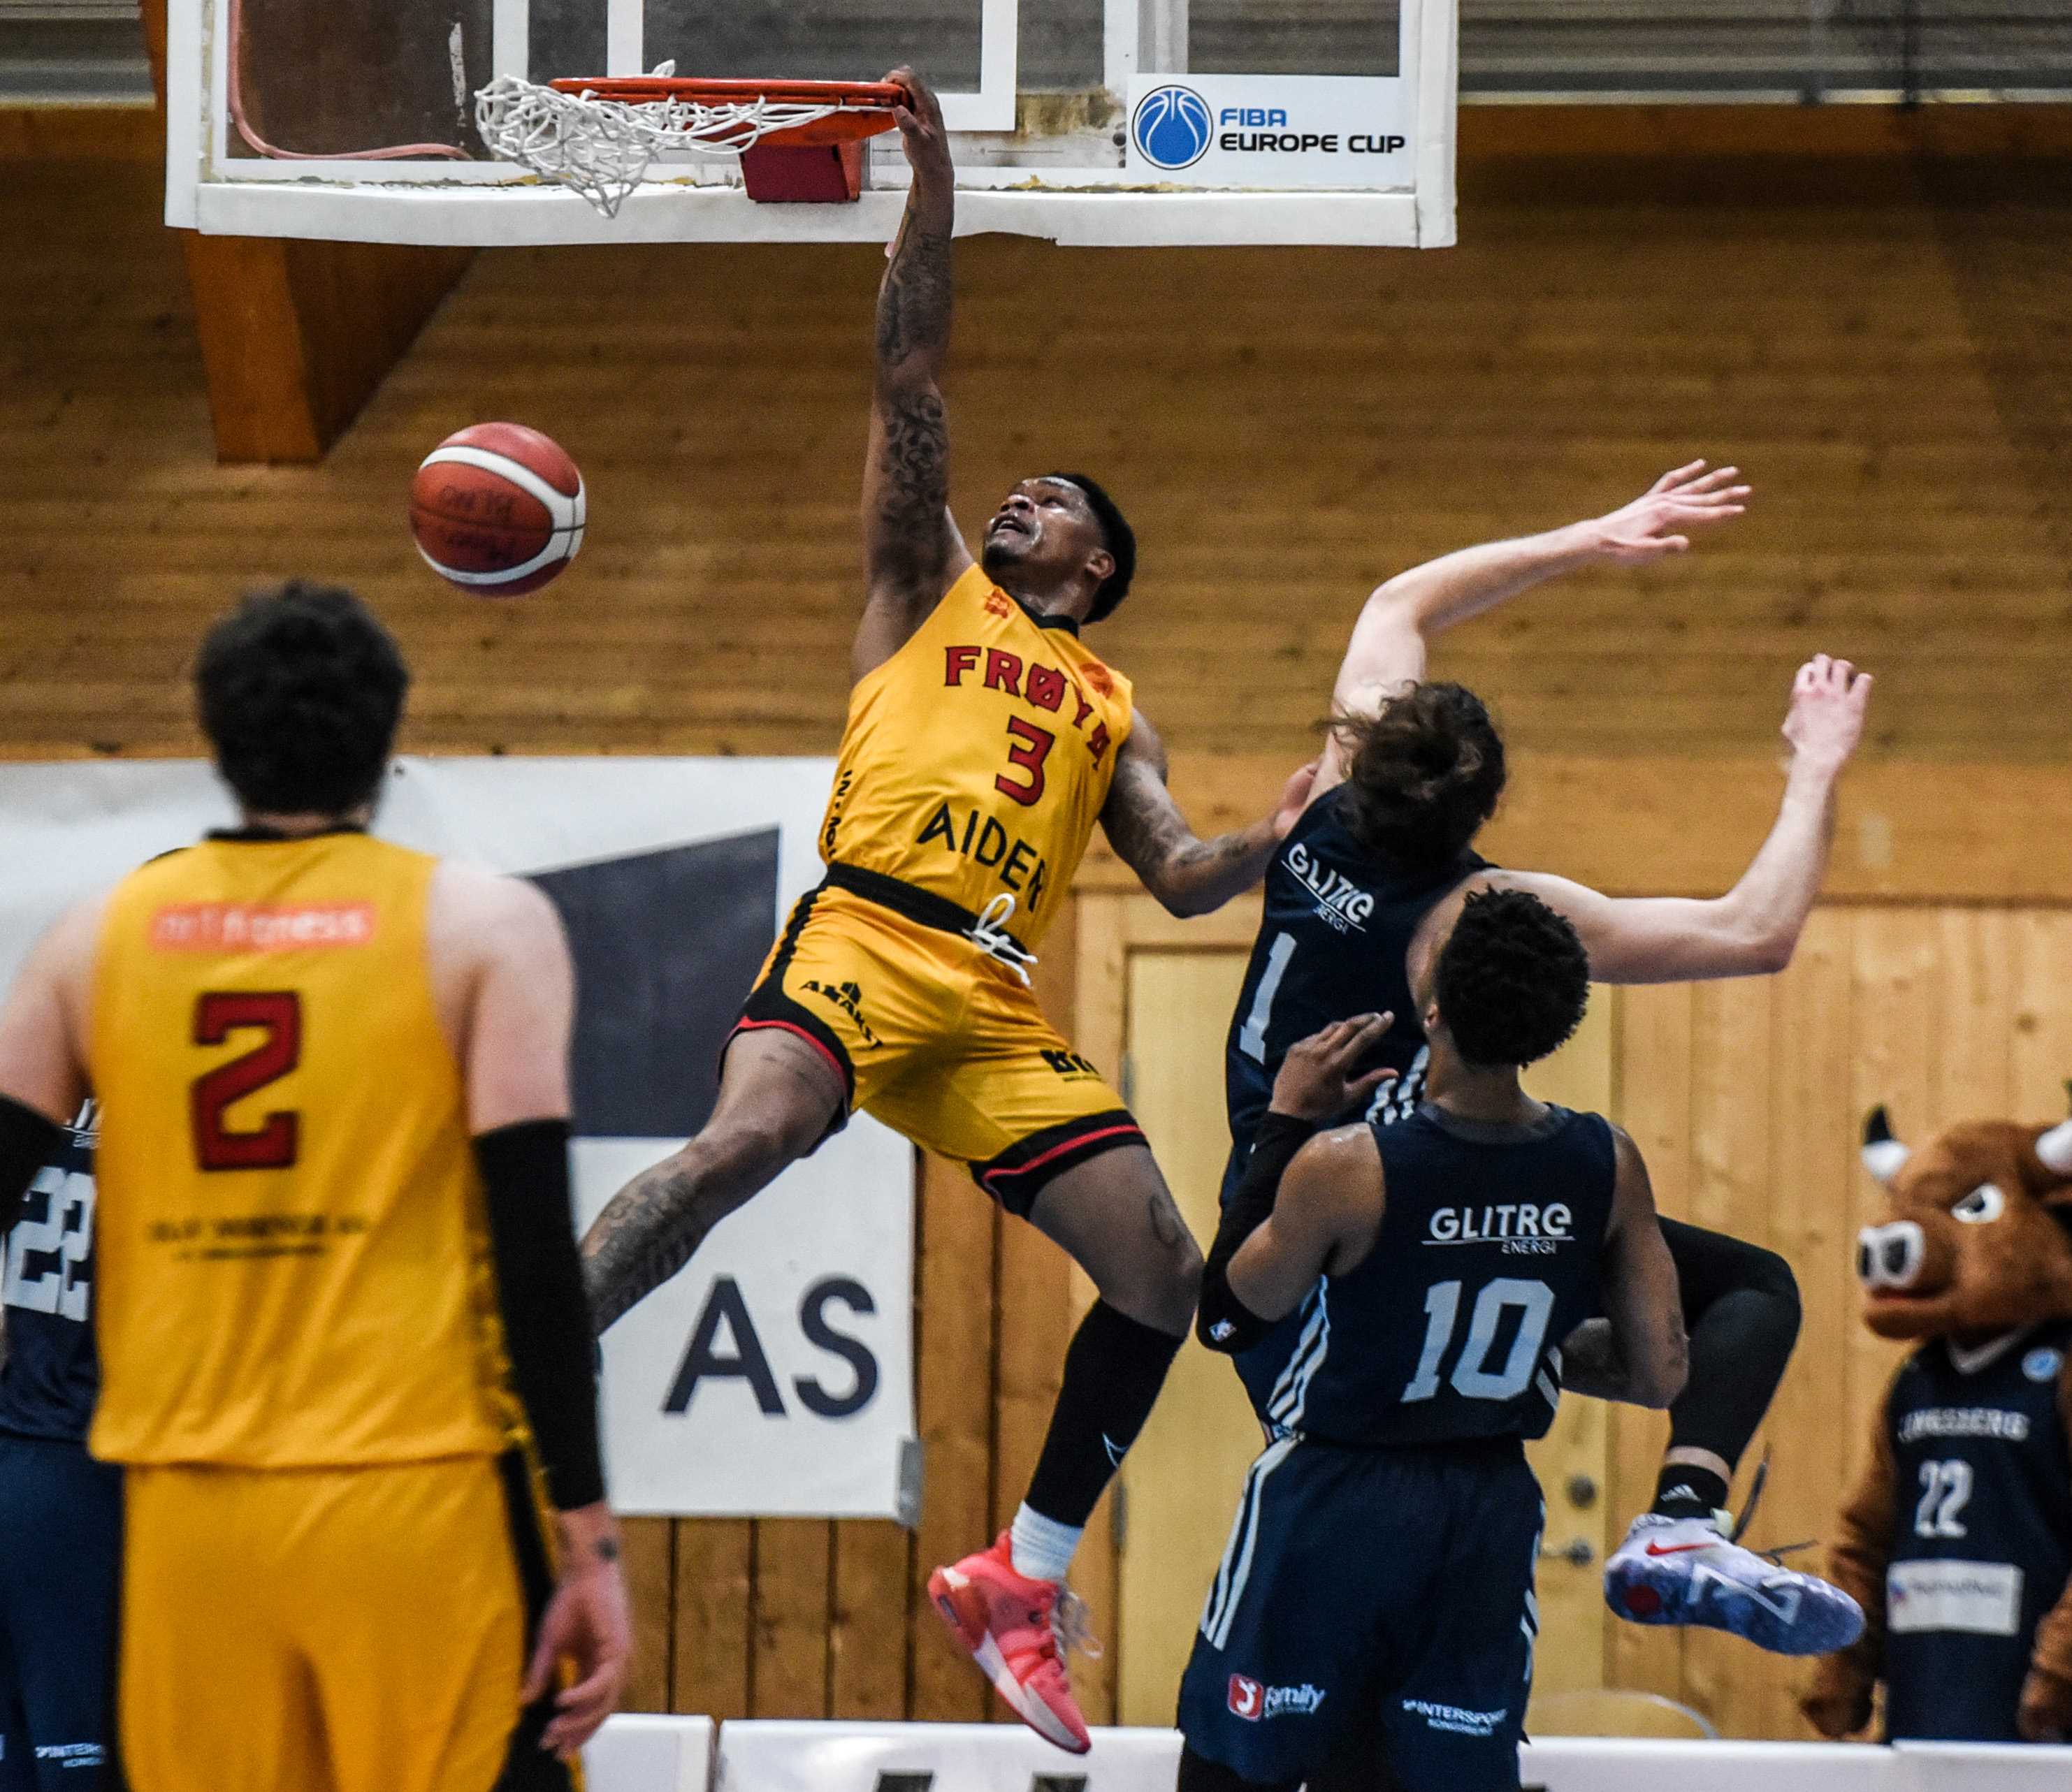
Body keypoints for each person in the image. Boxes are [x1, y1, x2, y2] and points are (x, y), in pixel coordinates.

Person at [577, 68, 1307, 1754]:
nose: (1018, 500)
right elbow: (907, 371)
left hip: (987, 998)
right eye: (1018, 487)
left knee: (1158, 1267)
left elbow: (1182, 876)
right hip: (859, 933)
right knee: (735, 1154)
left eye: (1053, 501)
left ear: (1098, 565)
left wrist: (1275, 837)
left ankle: (1020, 1576)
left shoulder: (1108, 698)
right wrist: (929, 186)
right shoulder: (924, 586)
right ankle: (534, 1356)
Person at [1213, 465, 1874, 1654]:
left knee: (1522, 1359)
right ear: (1479, 810)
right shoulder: (1478, 913)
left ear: (1364, 751)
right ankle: (1678, 1515)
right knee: (1748, 1296)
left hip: (1294, 1184)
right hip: (1364, 1214)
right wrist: (1815, 767)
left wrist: (1586, 535)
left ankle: (1561, 1395)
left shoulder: (1318, 810)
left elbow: (1401, 600)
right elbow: (1753, 933)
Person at [0, 583, 630, 1792]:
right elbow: (536, 1258)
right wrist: (586, 1541)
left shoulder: (95, 939)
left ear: (218, 743)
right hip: (411, 1498)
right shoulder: (481, 928)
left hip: (189, 1525)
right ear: (390, 743)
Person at [1180, 890, 1688, 1792]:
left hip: (1336, 1498)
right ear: (1556, 1022)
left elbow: (1227, 1316)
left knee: (1236, 1768)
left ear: (1435, 1011)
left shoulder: (1349, 1167)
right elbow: (1658, 1372)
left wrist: (1284, 1124)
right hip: (1483, 1512)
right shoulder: (1607, 1162)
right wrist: (1533, 1357)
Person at [0, 1100, 118, 1790]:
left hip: (18, 1448)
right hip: (83, 1468)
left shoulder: (33, 1104)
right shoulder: (164, 1122)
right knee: (82, 1758)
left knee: (22, 1750)